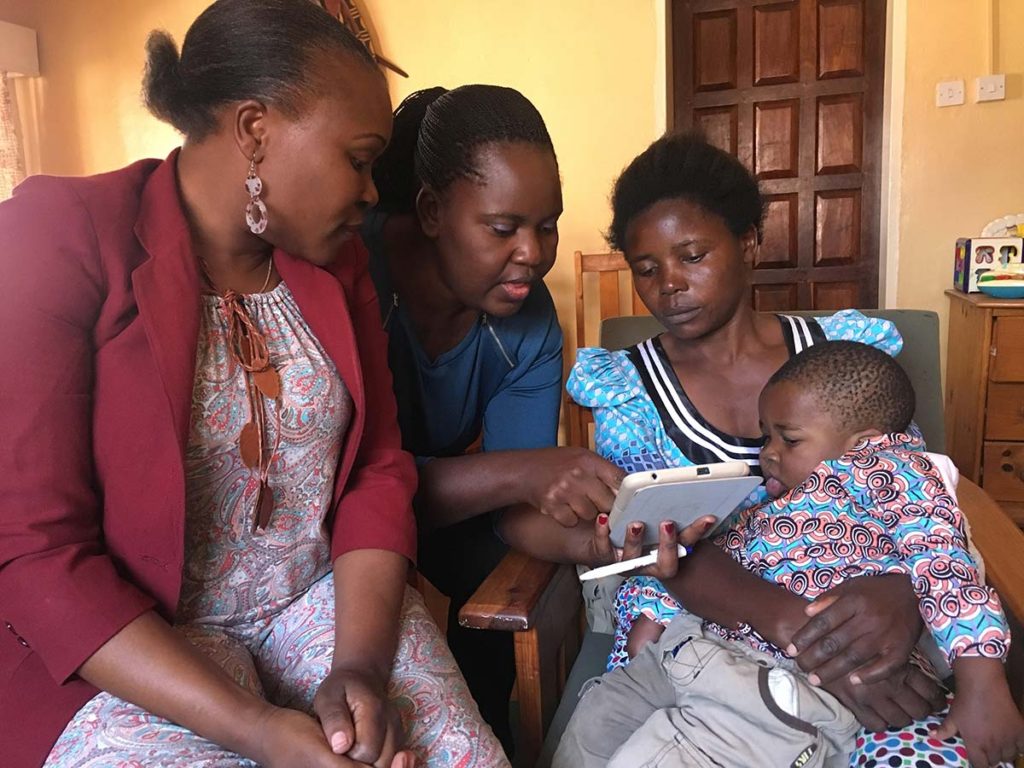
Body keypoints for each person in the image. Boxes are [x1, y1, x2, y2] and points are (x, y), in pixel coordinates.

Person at [0, 2, 506, 767]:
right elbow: (36, 549)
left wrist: (361, 667)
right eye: (360, 159)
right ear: (254, 130)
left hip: (318, 604)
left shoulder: (337, 262)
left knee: (452, 752)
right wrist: (260, 730)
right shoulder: (59, 233)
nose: (372, 192)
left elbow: (376, 469)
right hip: (139, 639)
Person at [496, 132, 956, 760]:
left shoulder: (843, 360)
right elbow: (659, 543)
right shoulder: (630, 392)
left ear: (748, 242)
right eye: (648, 269)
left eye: (692, 255)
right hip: (697, 633)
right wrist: (806, 633)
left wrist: (904, 594)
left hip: (855, 607)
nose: (669, 286)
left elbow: (914, 492)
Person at [556, 340, 1024, 768]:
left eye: (789, 439)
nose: (769, 455)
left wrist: (982, 679)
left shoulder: (893, 473)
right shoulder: (775, 505)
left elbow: (943, 563)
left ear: (861, 444)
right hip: (686, 652)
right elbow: (724, 554)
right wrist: (651, 615)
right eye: (766, 438)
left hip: (773, 684)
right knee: (591, 728)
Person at [362, 84, 624, 750]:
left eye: (548, 224)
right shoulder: (351, 279)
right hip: (339, 519)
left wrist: (601, 546)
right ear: (430, 211)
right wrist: (527, 470)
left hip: (438, 503)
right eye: (504, 228)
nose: (534, 254)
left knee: (499, 592)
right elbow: (347, 491)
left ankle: (479, 734)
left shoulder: (529, 323)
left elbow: (508, 509)